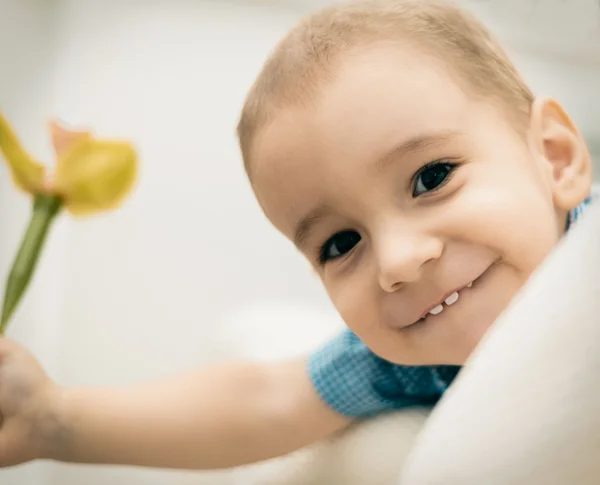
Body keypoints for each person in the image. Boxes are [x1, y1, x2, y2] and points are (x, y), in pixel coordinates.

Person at [0, 0, 595, 470]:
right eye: (341, 244)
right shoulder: (405, 364)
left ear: (556, 157)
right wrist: (55, 419)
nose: (397, 262)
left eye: (430, 178)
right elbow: (263, 401)